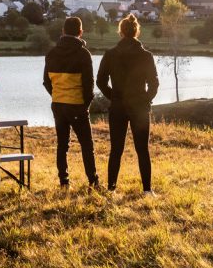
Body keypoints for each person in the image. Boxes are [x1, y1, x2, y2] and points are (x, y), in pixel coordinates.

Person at [97, 13, 159, 195]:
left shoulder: (110, 54)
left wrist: (114, 96)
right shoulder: (146, 55)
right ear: (136, 32)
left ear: (121, 32)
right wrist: (145, 100)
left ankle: (111, 189)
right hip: (139, 107)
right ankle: (147, 190)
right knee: (143, 150)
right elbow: (154, 83)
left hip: (118, 107)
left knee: (116, 149)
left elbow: (100, 81)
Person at [43, 16, 99, 188]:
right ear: (80, 32)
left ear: (63, 31)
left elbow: (46, 81)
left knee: (62, 144)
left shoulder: (51, 53)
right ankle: (93, 181)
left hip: (58, 105)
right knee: (87, 145)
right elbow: (89, 84)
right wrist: (84, 105)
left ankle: (63, 181)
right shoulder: (83, 54)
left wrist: (57, 96)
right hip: (77, 105)